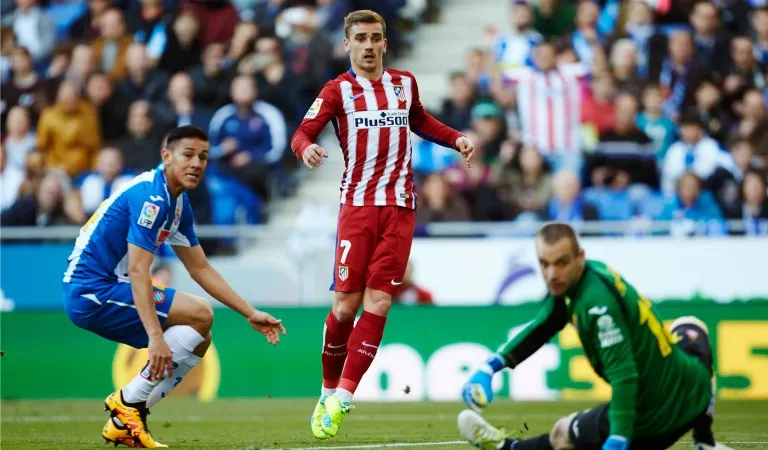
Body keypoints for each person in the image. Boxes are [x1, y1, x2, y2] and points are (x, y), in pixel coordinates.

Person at [289, 9, 474, 440]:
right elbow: (302, 133)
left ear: (385, 43)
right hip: (357, 209)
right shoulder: (337, 91)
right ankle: (326, 390)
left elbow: (421, 120)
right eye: (361, 39)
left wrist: (455, 138)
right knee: (344, 309)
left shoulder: (403, 84)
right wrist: (306, 152)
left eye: (375, 38)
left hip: (400, 210)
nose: (369, 46)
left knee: (380, 303)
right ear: (347, 45)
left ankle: (342, 399)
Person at [61, 125, 286, 448]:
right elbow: (140, 269)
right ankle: (127, 402)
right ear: (166, 156)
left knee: (200, 337)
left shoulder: (178, 204)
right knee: (199, 313)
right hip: (90, 291)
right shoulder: (151, 197)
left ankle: (125, 418)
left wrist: (249, 313)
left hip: (107, 286)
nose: (197, 163)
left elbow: (200, 268)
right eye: (189, 155)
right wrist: (155, 337)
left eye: (204, 157)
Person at [458, 222, 732, 450]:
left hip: (654, 418)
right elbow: (543, 326)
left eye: (561, 263)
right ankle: (705, 441)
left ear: (579, 257)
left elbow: (625, 376)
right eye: (544, 264)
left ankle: (506, 448)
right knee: (691, 326)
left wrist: (620, 436)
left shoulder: (596, 307)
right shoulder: (588, 275)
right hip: (693, 391)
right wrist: (491, 366)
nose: (552, 274)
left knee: (562, 433)